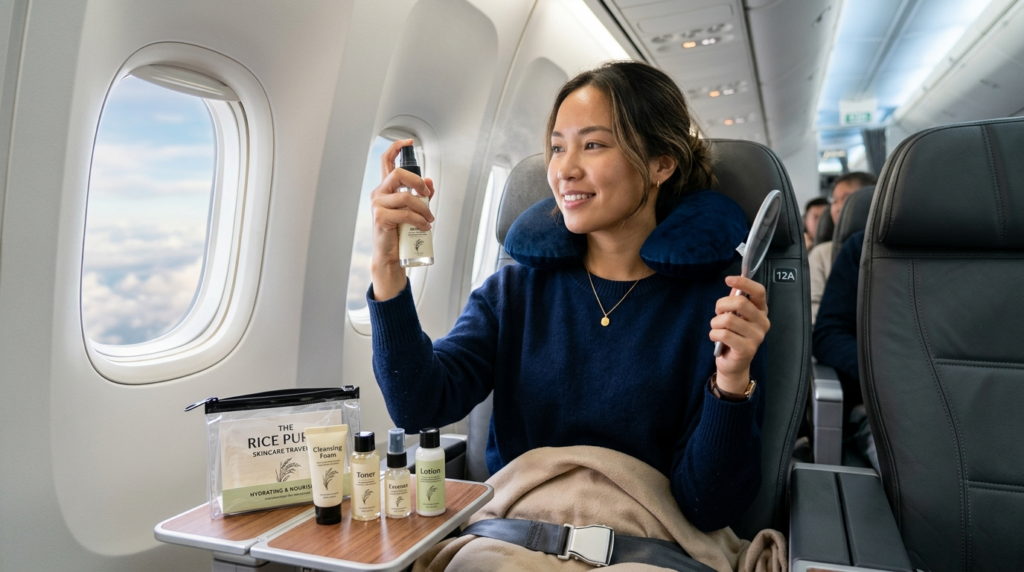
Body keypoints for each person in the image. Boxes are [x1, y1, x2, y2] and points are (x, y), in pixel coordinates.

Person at [365, 62, 770, 532]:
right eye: (558, 148)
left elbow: (711, 506)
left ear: (662, 163)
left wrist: (732, 380)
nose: (565, 170)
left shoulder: (721, 310)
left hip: (646, 547)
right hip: (514, 539)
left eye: (593, 144)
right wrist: (388, 269)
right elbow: (418, 403)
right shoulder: (513, 292)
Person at [812, 230, 878, 471]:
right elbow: (828, 334)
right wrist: (886, 376)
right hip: (886, 405)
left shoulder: (997, 254)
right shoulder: (867, 248)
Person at [808, 172, 876, 323]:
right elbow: (812, 312)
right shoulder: (821, 254)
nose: (837, 208)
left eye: (846, 199)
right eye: (834, 201)